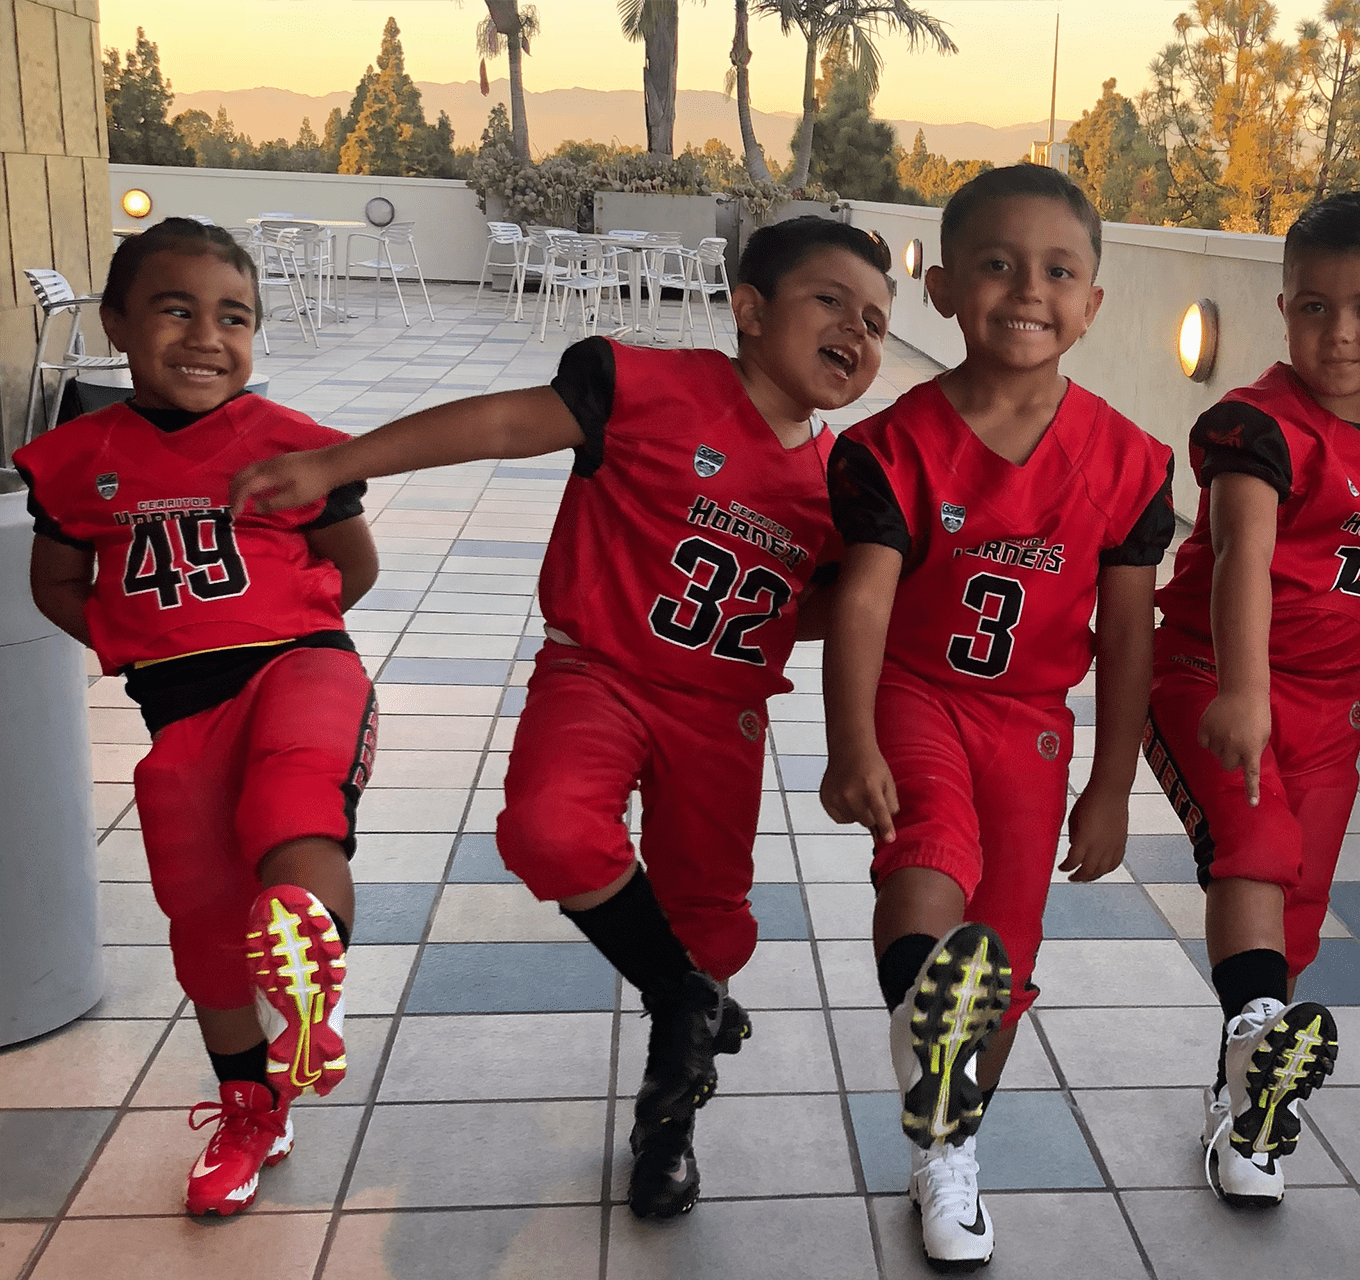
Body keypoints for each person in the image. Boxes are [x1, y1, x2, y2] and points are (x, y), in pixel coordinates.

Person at [229, 216, 894, 1219]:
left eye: (880, 321)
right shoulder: (650, 387)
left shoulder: (843, 484)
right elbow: (500, 425)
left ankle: (668, 1118)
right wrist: (336, 464)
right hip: (600, 670)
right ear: (750, 310)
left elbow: (829, 614)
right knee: (548, 824)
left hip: (724, 717)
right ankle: (683, 996)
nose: (859, 328)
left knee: (707, 916)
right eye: (832, 300)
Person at [820, 165, 1175, 1271]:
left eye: (1058, 269)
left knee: (1006, 957)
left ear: (1094, 301)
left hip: (1031, 720)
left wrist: (1114, 782)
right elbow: (865, 598)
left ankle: (948, 1140)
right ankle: (929, 1038)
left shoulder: (1131, 461)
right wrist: (853, 740)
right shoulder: (890, 445)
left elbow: (1127, 638)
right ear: (942, 289)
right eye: (997, 263)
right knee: (929, 859)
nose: (1028, 288)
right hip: (919, 692)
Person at [14, 219, 377, 1216]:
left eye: (236, 317)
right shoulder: (78, 456)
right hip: (179, 707)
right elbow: (58, 578)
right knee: (203, 913)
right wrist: (129, 633)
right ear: (120, 321)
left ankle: (317, 979)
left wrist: (285, 623)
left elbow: (355, 564)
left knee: (292, 803)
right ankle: (255, 1104)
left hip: (300, 663)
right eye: (178, 310)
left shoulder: (292, 440)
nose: (208, 336)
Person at [1145, 190, 1360, 1207]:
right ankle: (1254, 1040)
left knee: (1298, 906)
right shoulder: (1256, 425)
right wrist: (1242, 689)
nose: (1341, 332)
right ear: (1283, 309)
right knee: (1253, 844)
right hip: (1210, 673)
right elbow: (1243, 550)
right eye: (1316, 307)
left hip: (1332, 704)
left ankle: (1248, 1103)